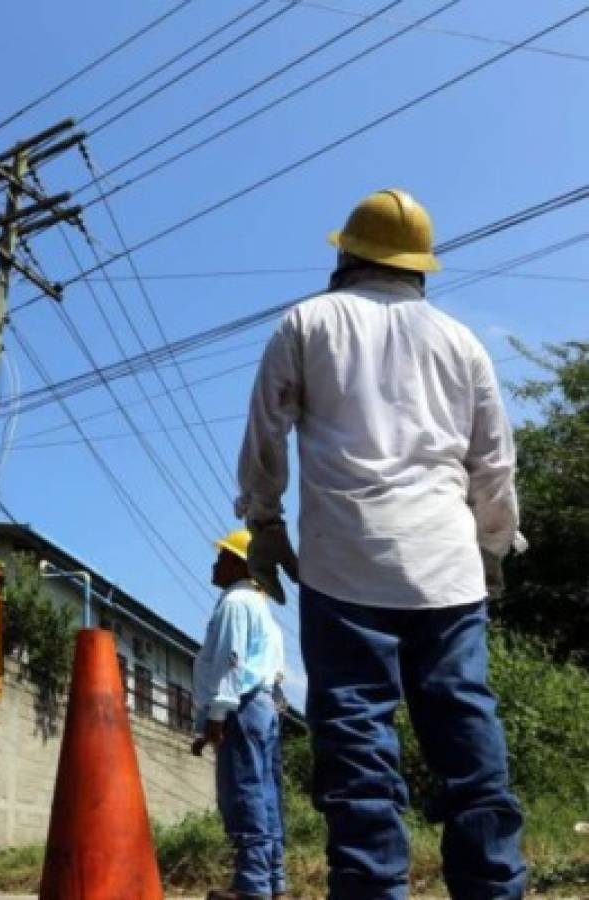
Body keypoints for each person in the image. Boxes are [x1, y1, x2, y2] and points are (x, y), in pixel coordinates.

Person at [236, 188, 527, 899]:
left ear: (345, 254)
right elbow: (493, 462)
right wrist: (490, 547)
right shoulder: (461, 341)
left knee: (358, 748)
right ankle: (492, 887)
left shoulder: (307, 321)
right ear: (418, 266)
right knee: (466, 739)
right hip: (447, 570)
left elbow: (264, 432)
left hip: (344, 566)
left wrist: (264, 523)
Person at [192, 528, 287, 900]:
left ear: (238, 563)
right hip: (264, 706)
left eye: (221, 558)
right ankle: (272, 879)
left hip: (242, 706)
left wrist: (216, 715)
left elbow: (232, 661)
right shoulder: (262, 609)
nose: (215, 565)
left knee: (243, 791)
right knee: (265, 792)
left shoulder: (235, 602)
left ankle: (252, 885)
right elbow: (273, 672)